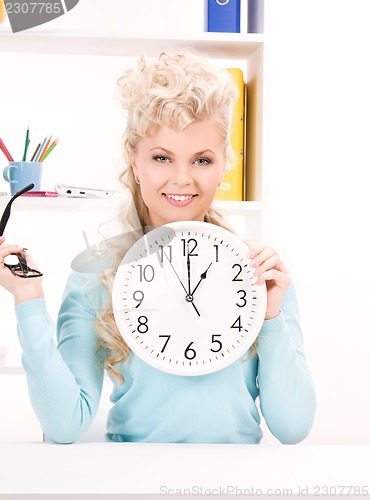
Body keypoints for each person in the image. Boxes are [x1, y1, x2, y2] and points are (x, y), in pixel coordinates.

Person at [0, 51, 316, 444]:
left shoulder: (261, 274)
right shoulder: (96, 276)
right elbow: (65, 424)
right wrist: (28, 300)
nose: (182, 179)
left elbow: (293, 426)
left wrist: (270, 316)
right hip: (133, 480)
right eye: (162, 157)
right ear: (135, 163)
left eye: (202, 160)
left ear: (224, 166)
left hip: (234, 482)